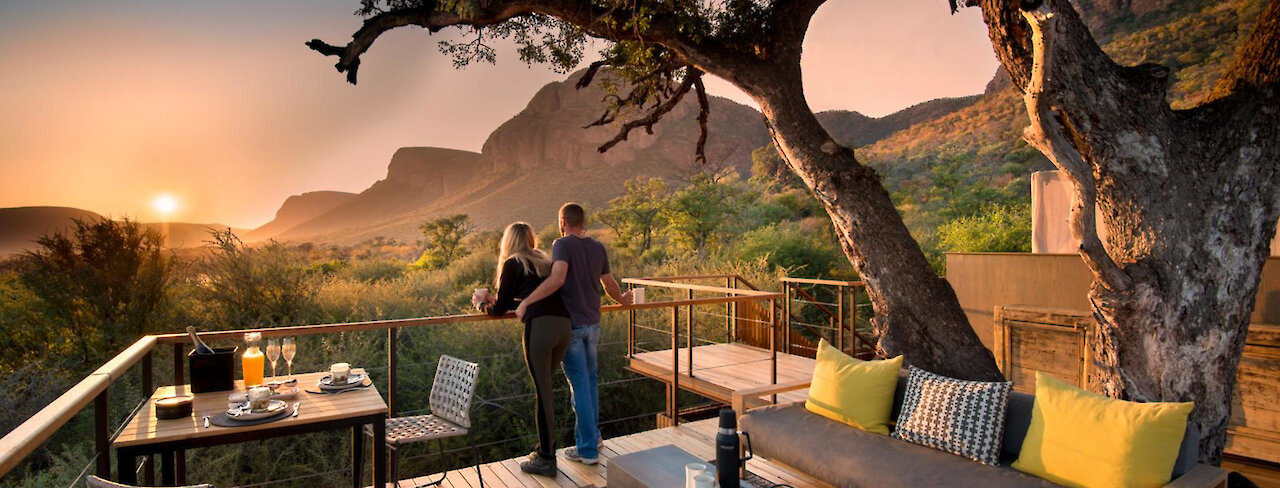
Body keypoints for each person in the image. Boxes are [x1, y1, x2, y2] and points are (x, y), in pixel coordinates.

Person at [517, 203, 633, 466]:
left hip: (572, 326)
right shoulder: (597, 247)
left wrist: (527, 302)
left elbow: (557, 279)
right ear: (583, 221)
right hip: (594, 324)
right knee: (589, 384)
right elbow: (609, 284)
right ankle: (594, 438)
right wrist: (622, 300)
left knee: (579, 386)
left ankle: (588, 450)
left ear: (562, 221)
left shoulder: (562, 245)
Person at [473, 222, 571, 477]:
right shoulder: (543, 261)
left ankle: (547, 459)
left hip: (540, 328)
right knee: (547, 388)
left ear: (507, 241)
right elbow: (521, 299)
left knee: (543, 392)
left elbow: (498, 310)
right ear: (530, 238)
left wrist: (481, 304)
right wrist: (502, 302)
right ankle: (543, 449)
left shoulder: (513, 263)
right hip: (563, 326)